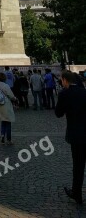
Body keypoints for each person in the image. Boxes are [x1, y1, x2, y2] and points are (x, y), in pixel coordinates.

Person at [55, 69, 86, 205]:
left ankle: (77, 193)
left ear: (65, 80)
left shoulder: (64, 94)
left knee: (78, 165)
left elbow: (58, 113)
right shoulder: (84, 92)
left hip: (76, 135)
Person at [0, 72, 18, 145]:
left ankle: (2, 136)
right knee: (8, 121)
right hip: (6, 105)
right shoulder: (6, 86)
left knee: (3, 121)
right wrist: (15, 99)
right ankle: (9, 139)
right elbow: (11, 96)